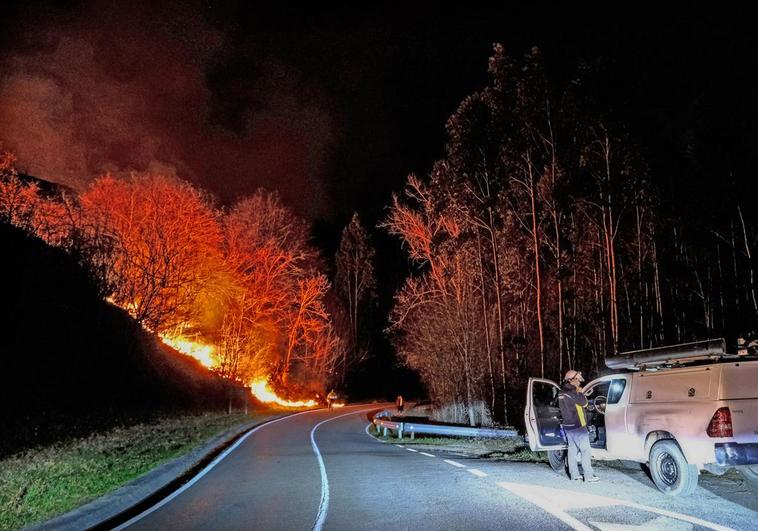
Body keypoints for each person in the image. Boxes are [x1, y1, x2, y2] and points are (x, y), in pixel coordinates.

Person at [558, 370, 599, 482]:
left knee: (572, 451)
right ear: (572, 380)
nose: (579, 383)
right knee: (585, 450)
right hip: (578, 426)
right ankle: (589, 476)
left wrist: (579, 392)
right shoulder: (573, 393)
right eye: (578, 380)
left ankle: (574, 475)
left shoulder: (562, 392)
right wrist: (580, 392)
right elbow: (585, 403)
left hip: (568, 427)